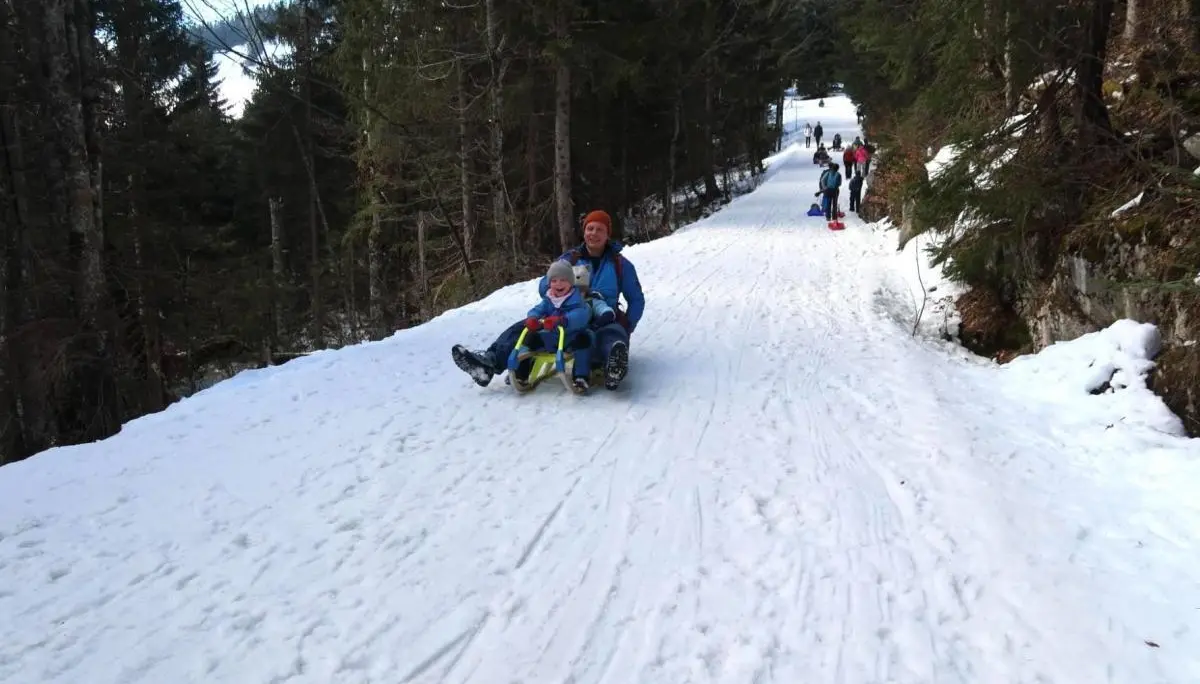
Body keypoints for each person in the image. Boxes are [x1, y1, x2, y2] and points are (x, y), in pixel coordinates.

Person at [451, 209, 644, 391]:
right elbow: (545, 285)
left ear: (607, 234)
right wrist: (565, 290)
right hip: (567, 312)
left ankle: (614, 364)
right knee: (524, 328)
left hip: (602, 316)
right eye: (589, 228)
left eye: (599, 229)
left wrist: (628, 325)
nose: (593, 233)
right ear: (584, 231)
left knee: (612, 333)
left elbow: (636, 299)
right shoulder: (571, 259)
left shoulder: (620, 264)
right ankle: (490, 363)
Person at [510, 260, 595, 392]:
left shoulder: (577, 300)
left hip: (570, 339)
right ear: (549, 283)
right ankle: (521, 374)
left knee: (585, 339)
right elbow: (538, 309)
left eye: (563, 280)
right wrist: (532, 318)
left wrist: (562, 320)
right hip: (550, 338)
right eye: (554, 281)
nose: (558, 284)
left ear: (571, 282)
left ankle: (581, 376)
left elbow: (580, 316)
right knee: (530, 338)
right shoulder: (548, 299)